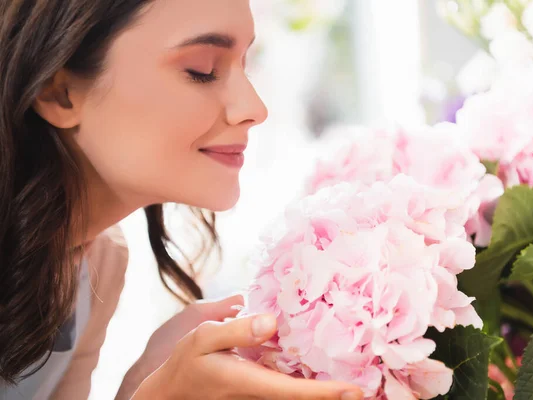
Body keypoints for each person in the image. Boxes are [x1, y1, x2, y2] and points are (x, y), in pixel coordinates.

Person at [0, 1, 365, 399]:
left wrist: (145, 380)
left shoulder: (98, 262)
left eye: (246, 63)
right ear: (60, 93)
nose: (255, 110)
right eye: (203, 70)